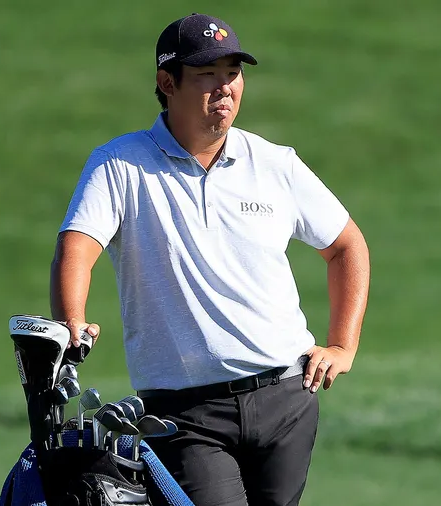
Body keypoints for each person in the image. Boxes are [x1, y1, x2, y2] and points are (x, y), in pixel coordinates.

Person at [50, 12, 371, 506]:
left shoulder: (274, 163)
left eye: (232, 73)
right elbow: (77, 247)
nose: (225, 87)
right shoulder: (119, 164)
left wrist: (343, 346)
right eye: (207, 74)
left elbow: (347, 246)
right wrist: (72, 320)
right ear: (167, 83)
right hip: (184, 416)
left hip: (287, 398)